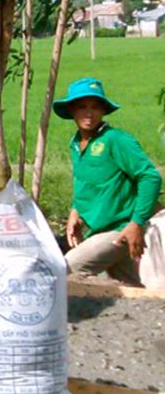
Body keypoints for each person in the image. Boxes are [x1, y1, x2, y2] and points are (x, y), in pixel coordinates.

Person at [58, 78, 161, 284]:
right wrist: (75, 211)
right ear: (71, 110)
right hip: (98, 228)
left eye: (96, 107)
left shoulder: (116, 140)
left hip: (120, 226)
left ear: (104, 110)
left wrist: (136, 224)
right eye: (82, 107)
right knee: (136, 285)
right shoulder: (76, 144)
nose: (89, 113)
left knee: (67, 268)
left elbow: (150, 176)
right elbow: (87, 182)